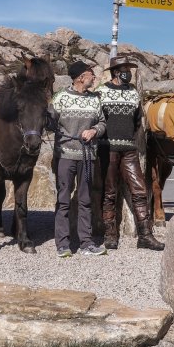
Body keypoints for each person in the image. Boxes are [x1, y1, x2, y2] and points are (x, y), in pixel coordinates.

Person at [96, 55, 165, 251]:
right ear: (116, 71)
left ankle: (145, 235)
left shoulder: (133, 93)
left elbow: (137, 121)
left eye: (129, 68)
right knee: (109, 192)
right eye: (125, 68)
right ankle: (110, 235)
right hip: (106, 148)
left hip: (129, 149)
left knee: (140, 190)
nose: (128, 72)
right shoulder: (101, 92)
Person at [49, 60, 107, 258]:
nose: (94, 77)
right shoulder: (61, 98)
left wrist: (93, 131)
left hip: (88, 155)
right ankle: (63, 244)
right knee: (63, 199)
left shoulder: (95, 99)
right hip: (65, 155)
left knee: (85, 200)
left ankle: (86, 243)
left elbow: (102, 123)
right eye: (91, 74)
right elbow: (49, 122)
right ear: (81, 77)